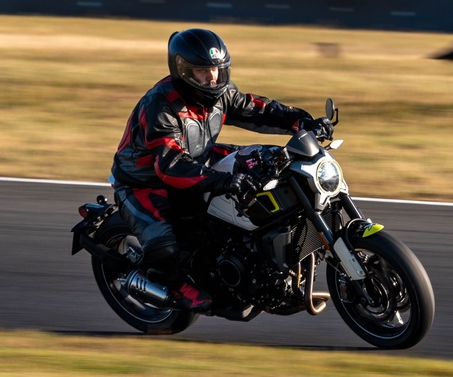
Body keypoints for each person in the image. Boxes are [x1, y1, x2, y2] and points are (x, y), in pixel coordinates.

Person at [110, 28, 332, 312]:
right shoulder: (161, 106)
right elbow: (170, 165)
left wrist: (303, 122)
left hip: (198, 157)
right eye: (203, 72)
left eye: (216, 70)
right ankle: (178, 286)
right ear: (183, 71)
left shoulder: (222, 93)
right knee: (163, 244)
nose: (212, 78)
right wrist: (225, 181)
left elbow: (260, 110)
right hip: (145, 179)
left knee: (268, 161)